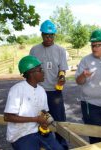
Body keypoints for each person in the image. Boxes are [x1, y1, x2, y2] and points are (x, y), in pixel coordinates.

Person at [4, 55, 63, 150]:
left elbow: (44, 111)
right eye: (40, 70)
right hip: (21, 135)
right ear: (31, 73)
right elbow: (7, 117)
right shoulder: (17, 89)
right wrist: (36, 119)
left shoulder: (41, 90)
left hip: (38, 131)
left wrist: (46, 121)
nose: (43, 72)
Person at [29, 20, 69, 149]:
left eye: (51, 35)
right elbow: (30, 70)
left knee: (58, 121)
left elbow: (62, 69)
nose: (49, 38)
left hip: (54, 91)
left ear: (55, 36)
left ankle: (62, 146)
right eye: (46, 35)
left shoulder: (60, 50)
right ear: (41, 34)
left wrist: (61, 76)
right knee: (40, 120)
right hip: (37, 92)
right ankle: (43, 145)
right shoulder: (34, 50)